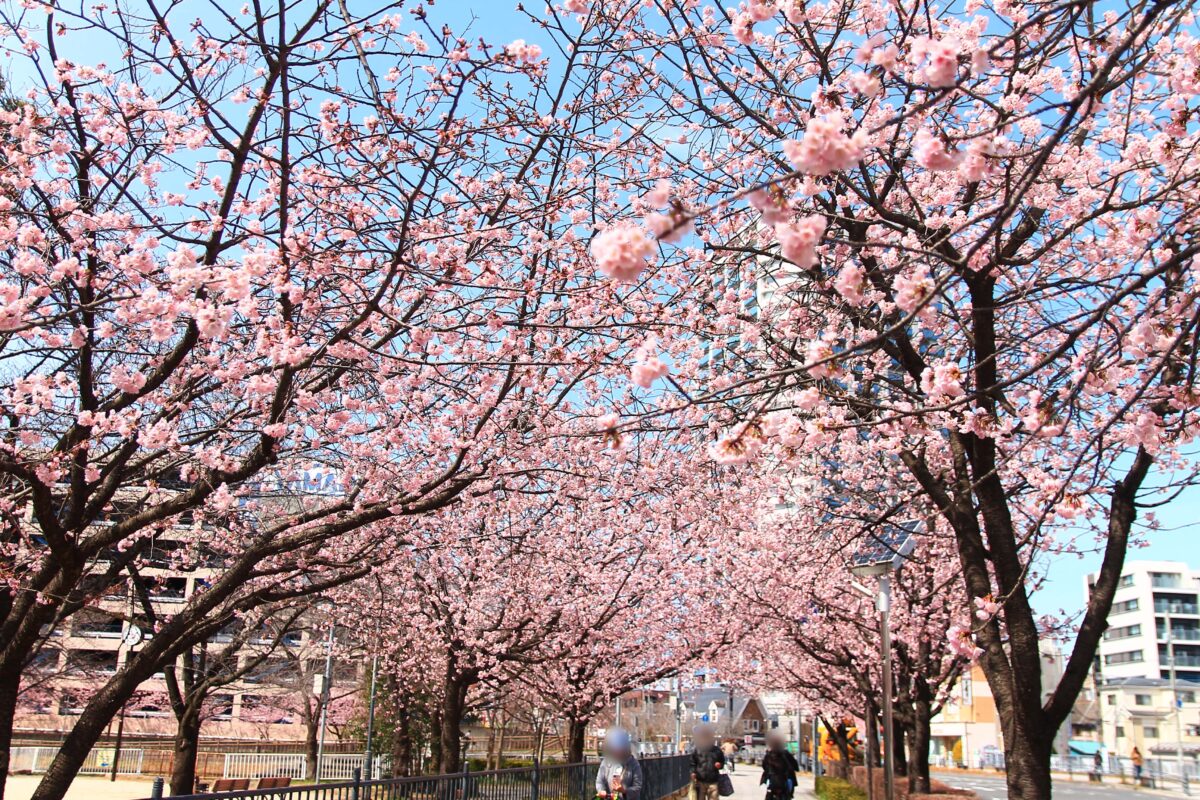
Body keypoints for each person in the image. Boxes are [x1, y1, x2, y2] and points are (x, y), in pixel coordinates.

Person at [597, 728, 643, 800]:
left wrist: (624, 791)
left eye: (621, 750)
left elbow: (637, 787)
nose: (618, 752)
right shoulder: (606, 762)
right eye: (615, 749)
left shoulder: (633, 764)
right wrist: (602, 791)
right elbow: (600, 781)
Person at [689, 724, 726, 800]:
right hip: (700, 781)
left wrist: (720, 765)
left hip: (713, 781)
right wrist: (692, 772)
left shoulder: (717, 750)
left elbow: (722, 762)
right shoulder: (697, 750)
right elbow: (692, 763)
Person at [760, 732, 800, 800]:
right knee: (789, 790)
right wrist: (796, 768)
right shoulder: (786, 753)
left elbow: (764, 766)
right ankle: (790, 795)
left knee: (769, 793)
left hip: (772, 780)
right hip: (784, 779)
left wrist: (768, 770)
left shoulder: (769, 754)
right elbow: (794, 764)